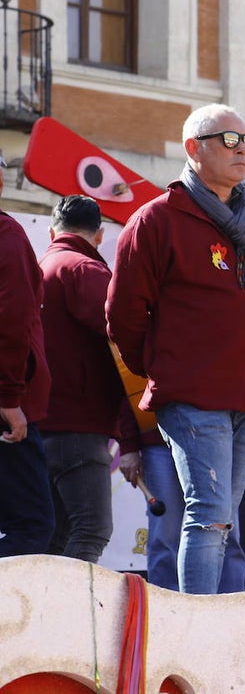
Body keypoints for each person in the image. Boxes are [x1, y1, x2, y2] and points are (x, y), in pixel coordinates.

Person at [107, 103, 245, 595]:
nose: (243, 150)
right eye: (229, 140)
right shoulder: (156, 219)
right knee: (208, 513)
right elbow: (122, 316)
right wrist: (161, 367)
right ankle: (194, 630)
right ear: (193, 148)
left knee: (224, 517)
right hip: (192, 393)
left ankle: (218, 631)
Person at [38, 195, 122, 563]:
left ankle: (40, 603)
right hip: (79, 424)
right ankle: (64, 606)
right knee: (91, 529)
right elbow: (124, 332)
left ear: (52, 231)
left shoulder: (39, 268)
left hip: (38, 424)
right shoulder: (85, 271)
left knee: (56, 535)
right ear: (99, 235)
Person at [117, 407, 245, 592]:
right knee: (164, 536)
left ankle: (233, 605)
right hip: (160, 437)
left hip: (216, 439)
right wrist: (128, 446)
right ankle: (166, 607)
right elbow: (129, 391)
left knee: (226, 532)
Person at [0, 175, 54, 556]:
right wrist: (9, 398)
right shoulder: (7, 236)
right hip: (6, 406)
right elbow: (12, 318)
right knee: (33, 525)